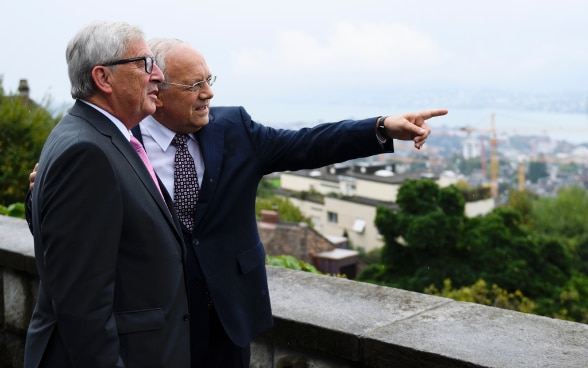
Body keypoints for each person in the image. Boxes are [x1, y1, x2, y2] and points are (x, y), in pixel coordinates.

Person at [27, 38, 447, 368]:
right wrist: (38, 193)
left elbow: (307, 143)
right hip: (155, 327)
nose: (208, 94)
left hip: (228, 320)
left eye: (210, 80)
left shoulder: (234, 129)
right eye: (195, 86)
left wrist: (380, 128)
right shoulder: (114, 145)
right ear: (159, 89)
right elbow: (73, 233)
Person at [24, 22, 190, 367]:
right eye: (145, 63)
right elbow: (82, 308)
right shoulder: (87, 152)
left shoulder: (91, 136)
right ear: (103, 78)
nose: (158, 75)